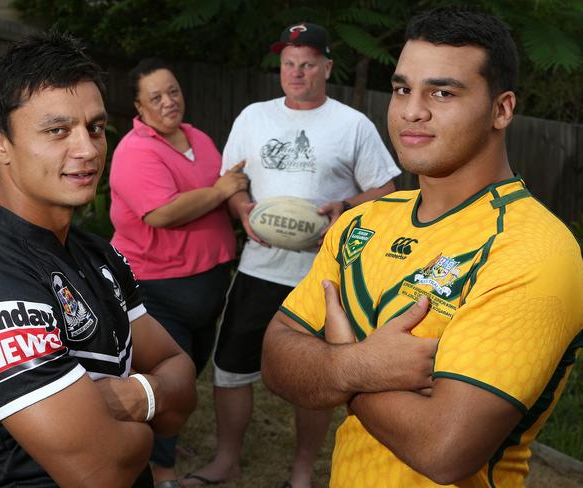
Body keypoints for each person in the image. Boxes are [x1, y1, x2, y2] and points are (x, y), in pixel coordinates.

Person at [262, 7, 583, 487]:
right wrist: (357, 365)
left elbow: (443, 449)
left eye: (442, 92)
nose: (413, 109)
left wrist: (337, 367)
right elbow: (275, 359)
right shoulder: (362, 223)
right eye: (401, 89)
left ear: (502, 109)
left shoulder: (534, 250)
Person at [0, 32, 197, 487]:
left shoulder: (96, 252)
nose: (88, 149)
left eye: (94, 127)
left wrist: (138, 397)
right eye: (58, 131)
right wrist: (151, 415)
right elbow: (103, 470)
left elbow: (181, 378)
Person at [184, 22, 401, 488]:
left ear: (326, 66)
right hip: (258, 269)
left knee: (315, 378)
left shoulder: (352, 124)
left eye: (306, 63)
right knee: (231, 370)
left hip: (321, 277)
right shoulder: (253, 117)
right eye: (288, 63)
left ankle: (302, 473)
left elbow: (386, 190)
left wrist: (344, 208)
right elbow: (232, 183)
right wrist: (241, 209)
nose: (296, 72)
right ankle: (226, 463)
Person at [109, 58, 247, 487]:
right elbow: (161, 213)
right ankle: (160, 472)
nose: (169, 102)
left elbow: (227, 188)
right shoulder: (136, 150)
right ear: (139, 106)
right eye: (156, 97)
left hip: (208, 281)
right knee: (165, 379)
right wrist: (222, 190)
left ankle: (163, 439)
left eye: (173, 91)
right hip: (156, 286)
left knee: (190, 371)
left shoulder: (198, 138)